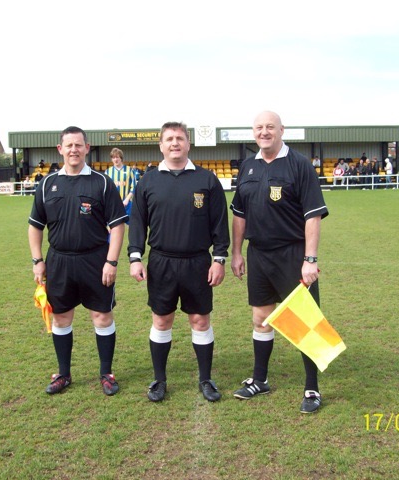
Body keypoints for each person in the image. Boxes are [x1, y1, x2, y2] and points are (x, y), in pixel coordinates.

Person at [230, 111, 329, 414]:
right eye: (259, 128)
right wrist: (237, 252)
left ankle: (312, 388)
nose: (264, 132)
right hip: (259, 254)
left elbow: (312, 215)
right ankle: (260, 380)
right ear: (253, 132)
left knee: (305, 322)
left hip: (292, 253)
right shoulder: (248, 166)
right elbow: (239, 214)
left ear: (281, 130)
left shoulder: (299, 165)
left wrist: (310, 259)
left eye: (270, 127)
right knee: (261, 318)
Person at [128, 121, 230, 403]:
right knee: (162, 321)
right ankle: (159, 380)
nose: (175, 143)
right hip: (161, 262)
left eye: (180, 139)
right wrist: (135, 256)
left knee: (200, 320)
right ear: (161, 145)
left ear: (188, 144)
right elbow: (137, 223)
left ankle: (205, 379)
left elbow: (220, 224)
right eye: (169, 139)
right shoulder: (148, 181)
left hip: (198, 262)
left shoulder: (206, 180)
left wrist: (219, 259)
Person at [28, 126, 128, 396]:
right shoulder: (48, 184)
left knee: (102, 316)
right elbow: (36, 225)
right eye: (68, 145)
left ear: (87, 148)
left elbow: (118, 226)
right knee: (61, 318)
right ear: (60, 149)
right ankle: (63, 373)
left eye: (78, 145)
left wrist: (112, 262)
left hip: (95, 260)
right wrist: (37, 260)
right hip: (59, 261)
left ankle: (106, 373)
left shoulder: (102, 182)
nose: (74, 150)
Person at [105, 148, 137, 223]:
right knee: (113, 226)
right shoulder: (108, 172)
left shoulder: (130, 170)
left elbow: (134, 186)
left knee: (132, 225)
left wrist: (127, 199)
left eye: (117, 157)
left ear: (121, 158)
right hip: (113, 204)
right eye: (113, 157)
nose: (115, 159)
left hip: (127, 203)